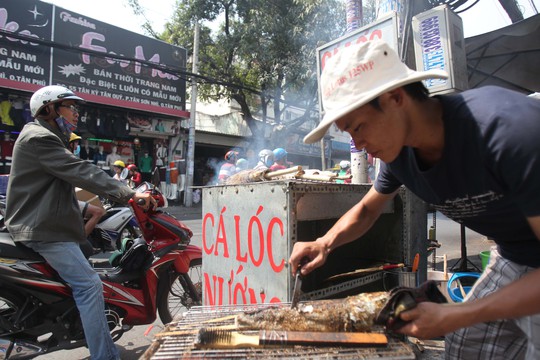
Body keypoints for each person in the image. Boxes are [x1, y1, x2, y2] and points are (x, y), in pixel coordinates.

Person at [288, 39, 540, 359]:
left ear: (395, 97)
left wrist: (460, 313)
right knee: (467, 347)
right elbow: (367, 210)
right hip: (516, 254)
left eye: (358, 127)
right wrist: (324, 242)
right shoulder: (398, 155)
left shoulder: (507, 131)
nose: (358, 144)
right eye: (348, 134)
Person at [5, 85, 156, 360]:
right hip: (44, 231)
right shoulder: (40, 138)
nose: (75, 113)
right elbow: (80, 171)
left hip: (47, 222)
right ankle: (105, 356)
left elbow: (52, 189)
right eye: (70, 107)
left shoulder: (46, 137)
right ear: (49, 109)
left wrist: (91, 207)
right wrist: (129, 192)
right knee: (89, 285)